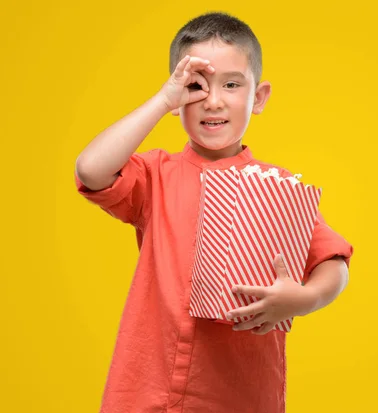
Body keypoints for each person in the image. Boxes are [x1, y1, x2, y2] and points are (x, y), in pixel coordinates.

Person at [74, 11, 353, 413]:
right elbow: (90, 169)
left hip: (237, 394)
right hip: (145, 389)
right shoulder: (155, 175)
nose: (214, 101)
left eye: (232, 85)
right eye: (196, 87)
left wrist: (303, 298)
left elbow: (335, 262)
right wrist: (164, 99)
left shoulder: (278, 188)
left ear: (258, 98)